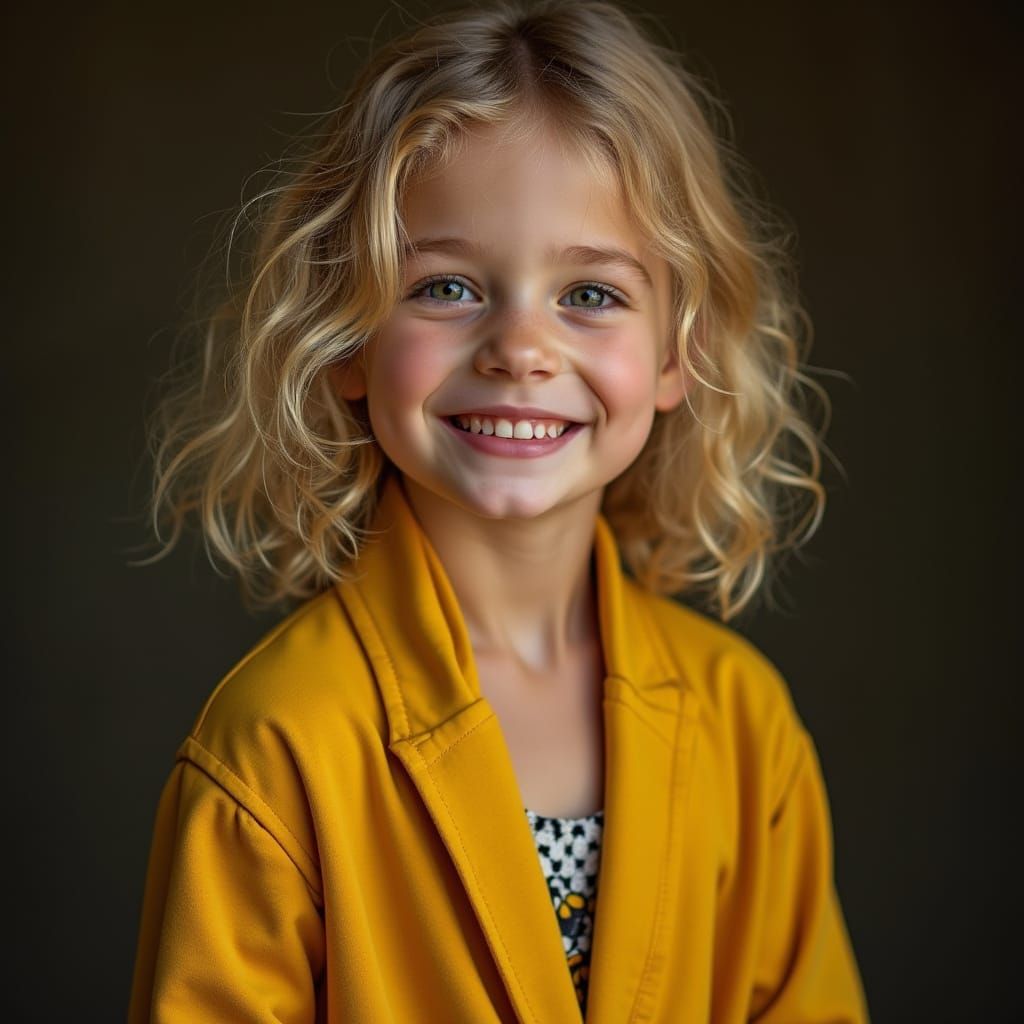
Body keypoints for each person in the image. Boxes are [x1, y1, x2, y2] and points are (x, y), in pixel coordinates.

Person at [127, 1, 870, 1020]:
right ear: (344, 334)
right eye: (445, 287)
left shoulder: (745, 725)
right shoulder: (275, 743)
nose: (520, 349)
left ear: (677, 353)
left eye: (591, 295)